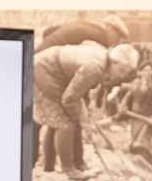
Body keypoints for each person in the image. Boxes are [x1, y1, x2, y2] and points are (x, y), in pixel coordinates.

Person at [35, 15, 131, 171]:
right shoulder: (98, 58)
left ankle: (50, 167)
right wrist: (84, 120)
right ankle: (70, 169)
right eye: (121, 70)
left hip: (47, 62)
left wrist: (84, 112)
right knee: (65, 120)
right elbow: (71, 98)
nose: (120, 76)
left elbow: (82, 52)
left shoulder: (98, 45)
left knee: (59, 118)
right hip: (46, 69)